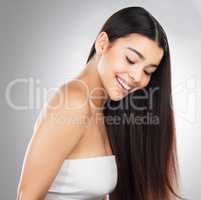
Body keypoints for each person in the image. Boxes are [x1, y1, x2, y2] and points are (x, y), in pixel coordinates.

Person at [16, 6, 186, 200]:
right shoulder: (73, 102)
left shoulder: (107, 110)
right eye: (130, 60)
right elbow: (27, 196)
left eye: (148, 71)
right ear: (103, 43)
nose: (137, 77)